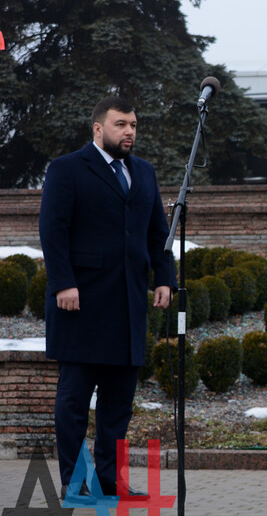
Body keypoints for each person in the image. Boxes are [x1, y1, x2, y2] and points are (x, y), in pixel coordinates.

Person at [40, 96, 173, 500]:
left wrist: (163, 278)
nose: (129, 131)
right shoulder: (66, 169)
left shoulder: (144, 173)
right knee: (75, 401)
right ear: (98, 128)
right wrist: (63, 283)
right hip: (80, 304)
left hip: (128, 307)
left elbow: (157, 232)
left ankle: (111, 479)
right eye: (121, 124)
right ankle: (75, 482)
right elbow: (53, 228)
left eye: (133, 124)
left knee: (118, 405)